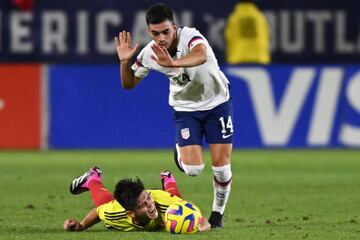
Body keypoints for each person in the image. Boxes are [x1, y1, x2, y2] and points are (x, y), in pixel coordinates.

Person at [114, 3, 233, 228]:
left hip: (217, 102)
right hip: (186, 108)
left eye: (166, 32)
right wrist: (124, 62)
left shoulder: (191, 37)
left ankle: (217, 214)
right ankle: (180, 150)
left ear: (174, 27)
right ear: (149, 31)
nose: (161, 38)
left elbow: (201, 55)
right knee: (193, 169)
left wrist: (173, 63)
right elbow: (129, 84)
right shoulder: (149, 53)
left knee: (221, 165)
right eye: (155, 33)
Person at [63, 166, 210, 232]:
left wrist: (200, 226)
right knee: (105, 204)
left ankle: (168, 180)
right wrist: (81, 226)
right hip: (118, 207)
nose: (150, 205)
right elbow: (99, 211)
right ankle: (92, 178)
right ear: (131, 213)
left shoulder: (162, 204)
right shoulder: (115, 213)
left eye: (148, 198)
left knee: (176, 201)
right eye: (143, 205)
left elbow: (196, 216)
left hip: (166, 200)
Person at [225, 0, 271, 64]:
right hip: (259, 59)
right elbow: (266, 36)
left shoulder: (234, 17)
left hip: (238, 58)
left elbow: (228, 37)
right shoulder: (259, 17)